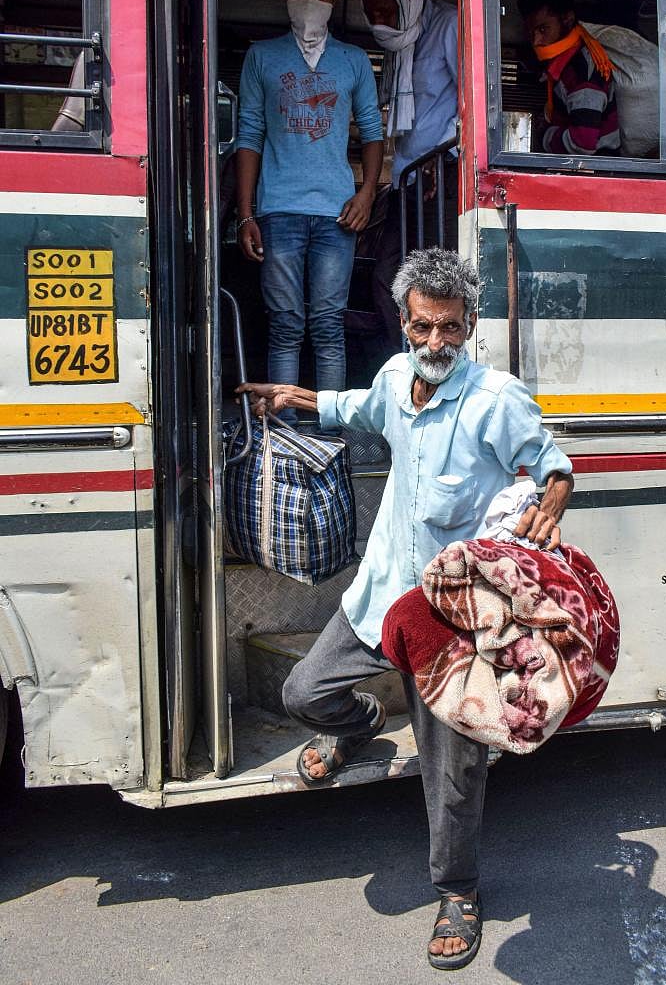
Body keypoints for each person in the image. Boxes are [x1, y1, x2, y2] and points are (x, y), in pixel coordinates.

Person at [237, 247, 574, 971]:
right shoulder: (395, 378)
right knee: (304, 693)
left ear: (469, 326)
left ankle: (458, 891)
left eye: (450, 330)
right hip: (379, 596)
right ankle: (359, 727)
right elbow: (351, 408)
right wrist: (293, 398)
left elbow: (551, 462)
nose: (434, 345)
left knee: (450, 771)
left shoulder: (494, 398)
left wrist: (552, 499)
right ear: (403, 322)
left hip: (448, 621)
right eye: (422, 328)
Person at [235, 0, 384, 403]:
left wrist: (366, 194)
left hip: (337, 215)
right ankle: (284, 431)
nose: (309, 1)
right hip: (277, 211)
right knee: (284, 324)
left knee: (327, 324)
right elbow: (249, 136)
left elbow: (373, 134)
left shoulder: (354, 60)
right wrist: (246, 214)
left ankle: (331, 431)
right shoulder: (262, 57)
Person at [361, 0, 459, 354]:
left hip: (444, 176)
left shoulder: (449, 25)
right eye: (373, 15)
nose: (380, 22)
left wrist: (443, 154)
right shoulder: (400, 47)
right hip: (409, 180)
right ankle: (408, 365)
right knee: (390, 278)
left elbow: (477, 101)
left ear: (409, 0)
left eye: (387, 11)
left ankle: (439, 367)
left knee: (440, 285)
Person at [518, 0, 620, 157]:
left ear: (567, 19)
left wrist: (545, 135)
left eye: (543, 30)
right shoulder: (563, 66)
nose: (536, 41)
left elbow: (582, 143)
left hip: (598, 172)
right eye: (531, 32)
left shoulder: (581, 69)